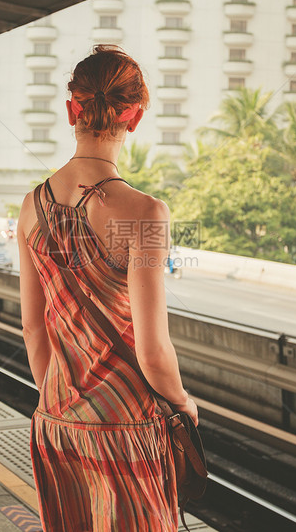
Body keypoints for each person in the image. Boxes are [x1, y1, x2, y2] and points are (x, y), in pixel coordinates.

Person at [17, 45, 196, 531]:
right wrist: (183, 403)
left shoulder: (31, 207)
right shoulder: (144, 212)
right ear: (133, 117)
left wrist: (60, 400)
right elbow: (154, 351)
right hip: (126, 423)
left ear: (71, 108)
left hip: (56, 419)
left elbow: (34, 328)